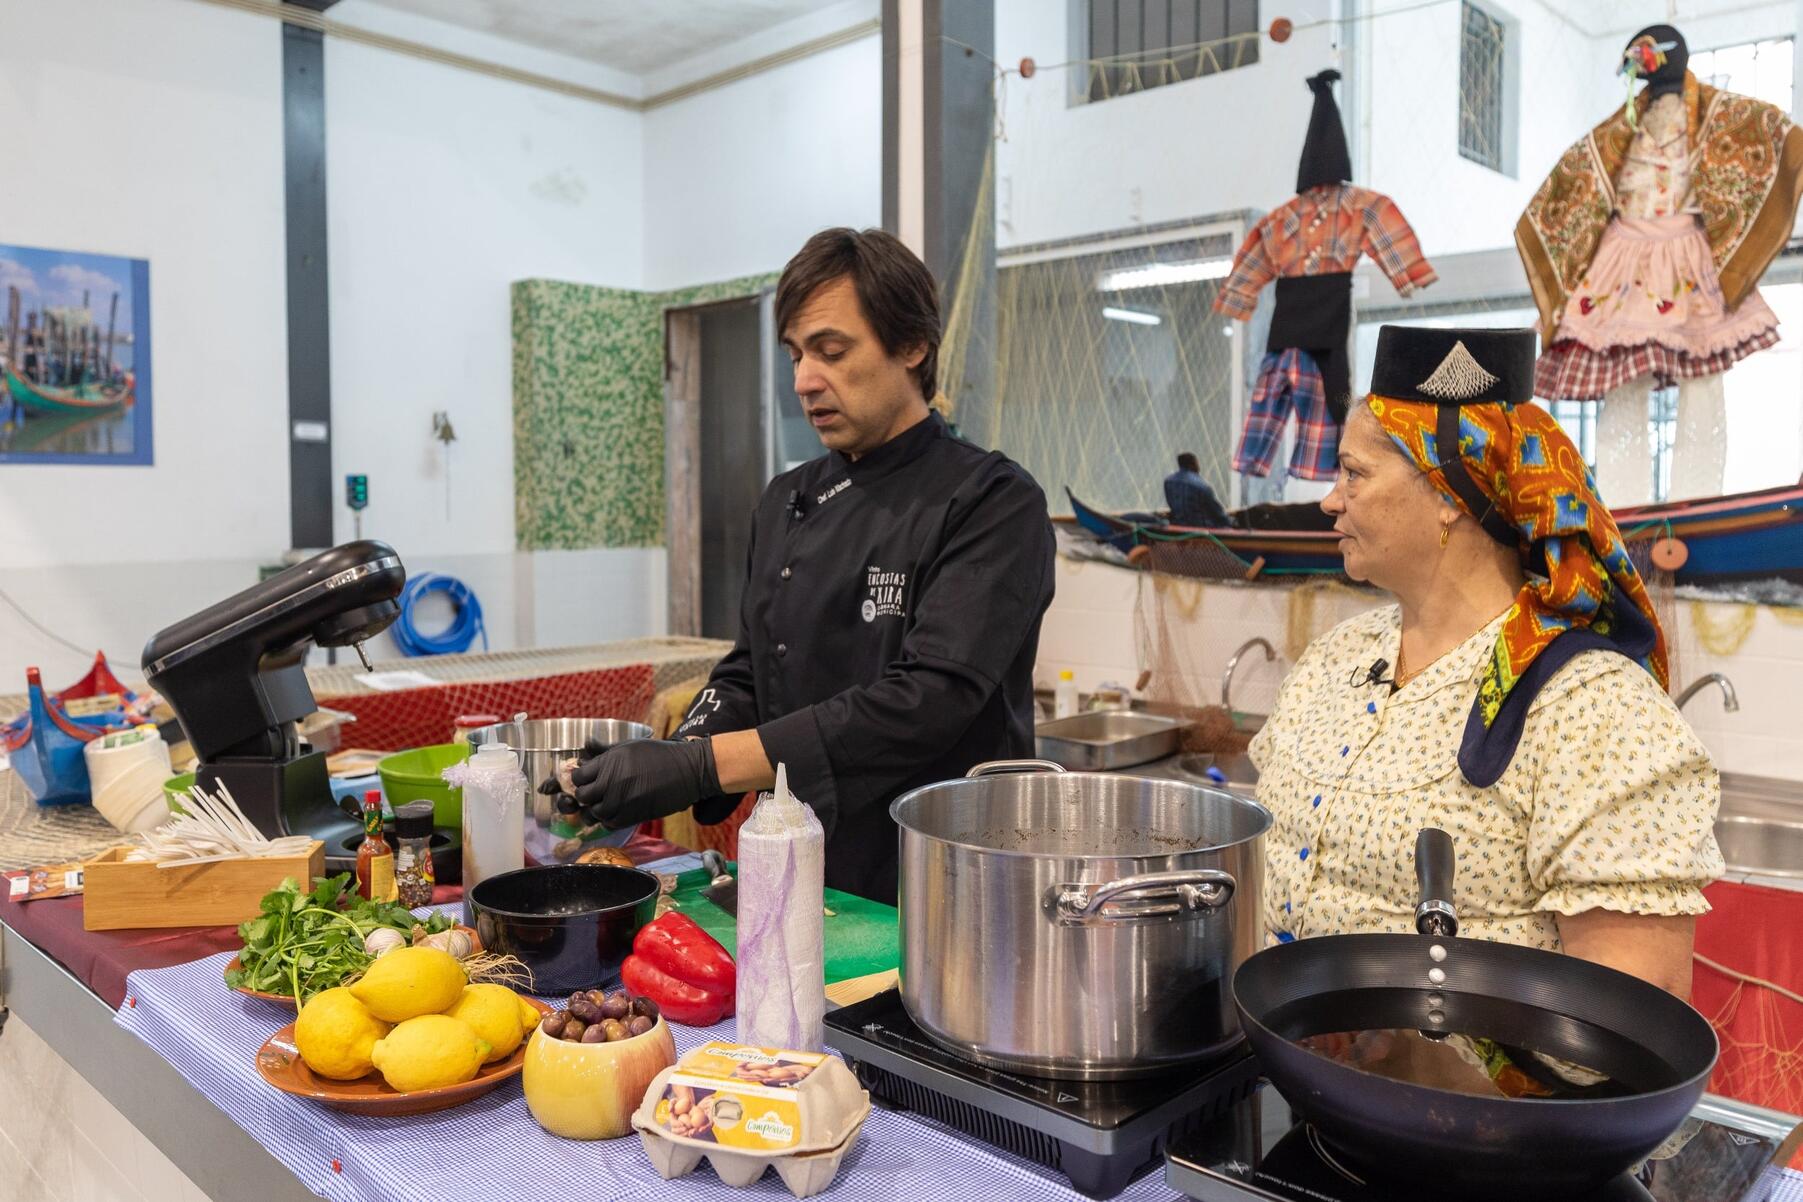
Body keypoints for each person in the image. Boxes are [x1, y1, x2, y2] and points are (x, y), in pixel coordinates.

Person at [546, 227, 1056, 903]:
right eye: (794, 355)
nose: (803, 381)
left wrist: (702, 764)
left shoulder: (990, 500)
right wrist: (671, 755)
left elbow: (926, 702)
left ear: (911, 345)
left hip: (943, 880)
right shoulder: (788, 498)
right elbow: (750, 671)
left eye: (831, 351)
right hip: (800, 862)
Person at [1251, 325, 1721, 998]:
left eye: (1353, 473)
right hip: (1291, 1076)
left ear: (1448, 492)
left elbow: (1625, 1016)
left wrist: (1436, 1060)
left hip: (1472, 1104)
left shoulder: (1590, 709)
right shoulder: (1337, 659)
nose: (1331, 499)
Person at [1163, 452, 1230, 527]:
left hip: (1177, 524)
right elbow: (1216, 511)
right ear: (1193, 464)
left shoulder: (1168, 482)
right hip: (1201, 528)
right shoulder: (1202, 486)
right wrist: (1229, 523)